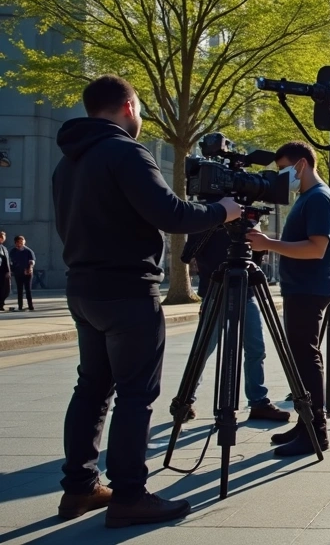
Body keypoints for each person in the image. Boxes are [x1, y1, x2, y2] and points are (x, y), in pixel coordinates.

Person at [52, 74, 241, 527]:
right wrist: (223, 211)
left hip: (83, 287)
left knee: (92, 389)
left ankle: (79, 489)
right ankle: (129, 495)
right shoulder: (126, 151)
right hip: (127, 290)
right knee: (136, 395)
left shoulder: (68, 162)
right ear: (129, 107)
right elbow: (171, 214)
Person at [246, 141, 330, 459]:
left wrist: (269, 243)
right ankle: (306, 424)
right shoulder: (307, 198)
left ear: (300, 165)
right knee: (300, 358)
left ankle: (316, 431)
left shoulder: (319, 198)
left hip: (309, 289)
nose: (280, 176)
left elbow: (316, 248)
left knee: (305, 357)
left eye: (283, 168)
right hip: (301, 287)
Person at [181, 228, 291, 423]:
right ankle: (184, 400)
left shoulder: (244, 220)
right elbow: (188, 255)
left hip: (246, 292)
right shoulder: (207, 217)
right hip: (215, 293)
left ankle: (258, 402)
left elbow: (256, 257)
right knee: (203, 350)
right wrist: (216, 221)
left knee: (256, 348)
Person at [10, 235, 35, 311]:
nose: (22, 243)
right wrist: (12, 271)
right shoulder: (13, 251)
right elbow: (11, 262)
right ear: (16, 243)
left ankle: (30, 306)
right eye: (20, 241)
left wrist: (29, 269)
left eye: (23, 241)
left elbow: (32, 261)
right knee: (19, 290)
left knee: (28, 289)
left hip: (27, 273)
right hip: (18, 273)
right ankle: (20, 306)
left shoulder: (28, 251)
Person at [0, 231, 10, 311]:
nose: (4, 239)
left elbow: (6, 260)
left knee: (5, 289)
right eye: (2, 237)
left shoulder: (3, 248)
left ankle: (1, 303)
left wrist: (8, 271)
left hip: (4, 272)